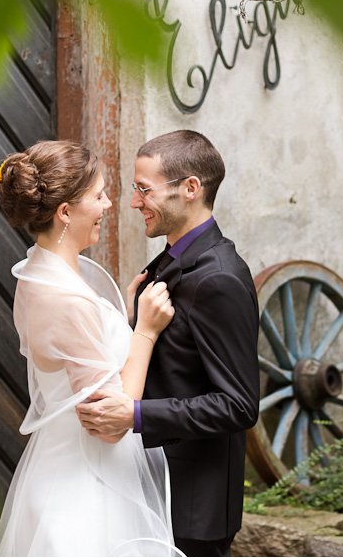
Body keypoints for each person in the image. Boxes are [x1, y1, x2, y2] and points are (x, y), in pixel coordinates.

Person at [0, 140, 181, 557]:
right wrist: (145, 331)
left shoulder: (35, 274)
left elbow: (83, 362)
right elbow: (111, 425)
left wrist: (123, 320)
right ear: (64, 213)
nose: (110, 204)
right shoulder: (69, 299)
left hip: (54, 472)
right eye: (98, 196)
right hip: (89, 495)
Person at [76, 131, 260, 558]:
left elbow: (239, 405)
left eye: (144, 189)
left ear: (190, 189)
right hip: (153, 493)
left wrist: (135, 415)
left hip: (194, 507)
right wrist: (131, 320)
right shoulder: (170, 258)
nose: (134, 202)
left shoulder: (219, 279)